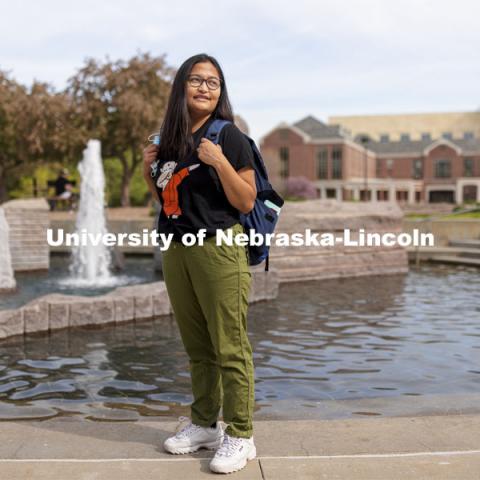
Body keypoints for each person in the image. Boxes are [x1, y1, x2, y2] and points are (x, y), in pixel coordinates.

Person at [143, 53, 257, 475]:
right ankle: (205, 424)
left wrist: (219, 161)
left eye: (213, 82)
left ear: (220, 91)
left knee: (230, 345)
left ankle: (241, 434)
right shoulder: (169, 140)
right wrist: (145, 171)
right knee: (197, 347)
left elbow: (246, 200)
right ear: (181, 87)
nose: (205, 87)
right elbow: (170, 203)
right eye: (197, 80)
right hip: (178, 248)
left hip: (220, 248)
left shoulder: (228, 136)